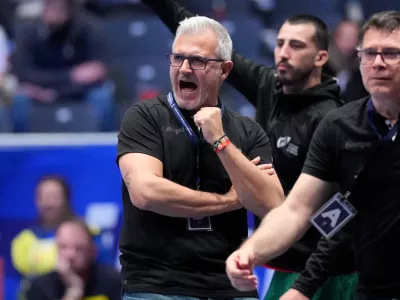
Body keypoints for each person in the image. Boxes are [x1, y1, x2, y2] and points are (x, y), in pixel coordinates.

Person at [141, 0, 356, 299]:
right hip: (282, 265)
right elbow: (196, 26)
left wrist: (307, 270)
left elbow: (343, 207)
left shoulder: (333, 120)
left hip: (328, 274)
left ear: (321, 56)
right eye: (280, 43)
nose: (283, 53)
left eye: (296, 46)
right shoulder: (270, 87)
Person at [226, 10, 400, 300]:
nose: (378, 63)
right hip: (368, 289)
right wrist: (249, 253)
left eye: (391, 53)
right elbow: (298, 210)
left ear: (321, 56)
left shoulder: (325, 115)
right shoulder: (341, 127)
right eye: (369, 53)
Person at [116, 15, 284, 300]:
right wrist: (230, 200)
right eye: (178, 57)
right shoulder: (144, 117)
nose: (184, 68)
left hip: (229, 284)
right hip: (156, 283)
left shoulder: (247, 131)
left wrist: (221, 141)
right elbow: (146, 193)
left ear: (225, 70)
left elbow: (273, 206)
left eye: (198, 61)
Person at [11, 0, 114, 132]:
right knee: (20, 100)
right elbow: (23, 73)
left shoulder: (90, 28)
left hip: (79, 90)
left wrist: (58, 91)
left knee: (101, 97)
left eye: (61, 7)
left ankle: (106, 148)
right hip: (39, 90)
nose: (55, 11)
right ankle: (21, 149)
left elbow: (97, 72)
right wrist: (71, 76)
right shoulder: (27, 31)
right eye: (51, 5)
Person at [25, 218, 121, 300]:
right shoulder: (39, 287)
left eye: (78, 248)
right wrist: (73, 291)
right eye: (63, 247)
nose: (70, 254)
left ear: (92, 251)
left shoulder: (113, 281)